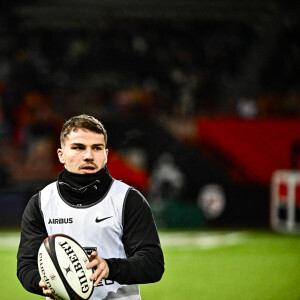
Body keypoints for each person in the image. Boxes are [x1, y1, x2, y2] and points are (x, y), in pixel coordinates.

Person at [17, 114, 164, 300]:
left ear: (106, 154)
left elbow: (153, 264)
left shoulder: (127, 199)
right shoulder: (41, 203)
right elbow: (26, 265)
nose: (88, 156)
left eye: (97, 148)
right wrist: (41, 282)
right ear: (61, 155)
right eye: (78, 147)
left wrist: (111, 267)